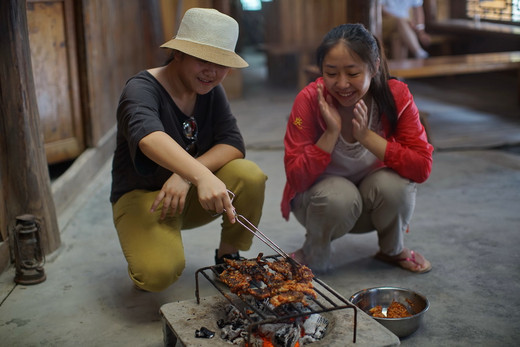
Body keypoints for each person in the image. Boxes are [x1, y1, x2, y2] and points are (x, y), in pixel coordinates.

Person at [110, 8, 267, 292]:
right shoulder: (141, 89)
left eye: (221, 63)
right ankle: (148, 241)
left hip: (189, 194)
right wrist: (200, 175)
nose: (212, 71)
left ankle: (227, 257)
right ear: (178, 53)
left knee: (249, 176)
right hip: (144, 196)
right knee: (157, 273)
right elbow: (149, 137)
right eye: (202, 59)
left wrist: (186, 176)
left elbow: (233, 143)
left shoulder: (209, 88)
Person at [281, 23, 433, 274]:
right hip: (322, 205)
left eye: (352, 74)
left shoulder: (396, 96)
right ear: (321, 70)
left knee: (395, 188)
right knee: (338, 195)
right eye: (331, 73)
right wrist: (331, 133)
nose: (341, 84)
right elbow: (296, 178)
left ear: (373, 68)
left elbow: (422, 167)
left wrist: (366, 136)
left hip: (370, 204)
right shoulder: (308, 101)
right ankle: (313, 252)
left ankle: (392, 250)